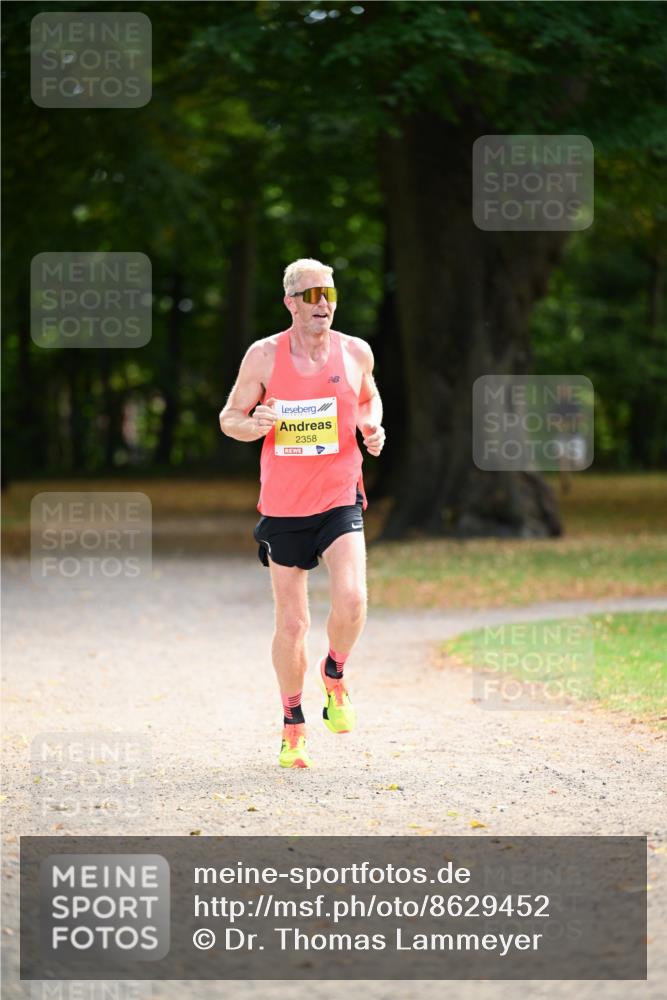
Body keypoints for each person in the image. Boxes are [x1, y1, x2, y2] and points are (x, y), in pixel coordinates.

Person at [219, 258, 385, 768]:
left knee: (353, 598)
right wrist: (257, 423)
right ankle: (293, 721)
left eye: (329, 294)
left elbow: (368, 398)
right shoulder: (264, 356)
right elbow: (230, 419)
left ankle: (334, 673)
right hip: (284, 506)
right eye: (311, 295)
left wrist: (371, 428)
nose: (323, 304)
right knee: (292, 625)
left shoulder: (355, 351)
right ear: (290, 302)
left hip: (339, 494)